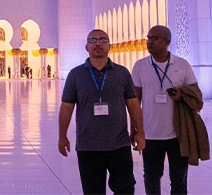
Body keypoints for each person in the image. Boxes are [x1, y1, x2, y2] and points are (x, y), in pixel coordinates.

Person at [58, 28, 144, 195]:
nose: (98, 43)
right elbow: (67, 107)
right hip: (88, 147)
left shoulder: (122, 73)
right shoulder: (75, 75)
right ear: (86, 47)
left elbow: (133, 104)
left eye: (103, 40)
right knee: (93, 191)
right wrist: (62, 135)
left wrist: (139, 131)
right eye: (93, 40)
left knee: (125, 189)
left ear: (109, 46)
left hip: (119, 145)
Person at [131, 25, 200, 194]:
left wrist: (181, 95)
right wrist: (134, 129)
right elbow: (135, 100)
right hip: (151, 133)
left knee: (179, 179)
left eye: (154, 38)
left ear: (166, 42)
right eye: (148, 38)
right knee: (152, 177)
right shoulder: (140, 66)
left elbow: (195, 93)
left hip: (178, 134)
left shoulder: (182, 65)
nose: (149, 42)